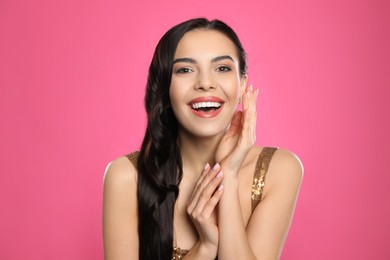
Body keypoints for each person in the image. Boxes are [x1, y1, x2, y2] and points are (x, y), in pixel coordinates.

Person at [102, 18, 303, 260]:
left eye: (222, 68)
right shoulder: (127, 177)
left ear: (242, 84)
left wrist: (227, 180)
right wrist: (205, 247)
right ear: (165, 88)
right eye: (185, 70)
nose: (205, 84)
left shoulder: (278, 169)